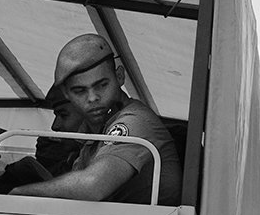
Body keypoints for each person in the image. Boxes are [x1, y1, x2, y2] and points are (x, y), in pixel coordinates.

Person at [9, 34, 174, 205]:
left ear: (119, 77)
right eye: (80, 91)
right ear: (67, 94)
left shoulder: (134, 122)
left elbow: (93, 186)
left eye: (102, 85)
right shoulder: (94, 136)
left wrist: (20, 193)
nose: (93, 98)